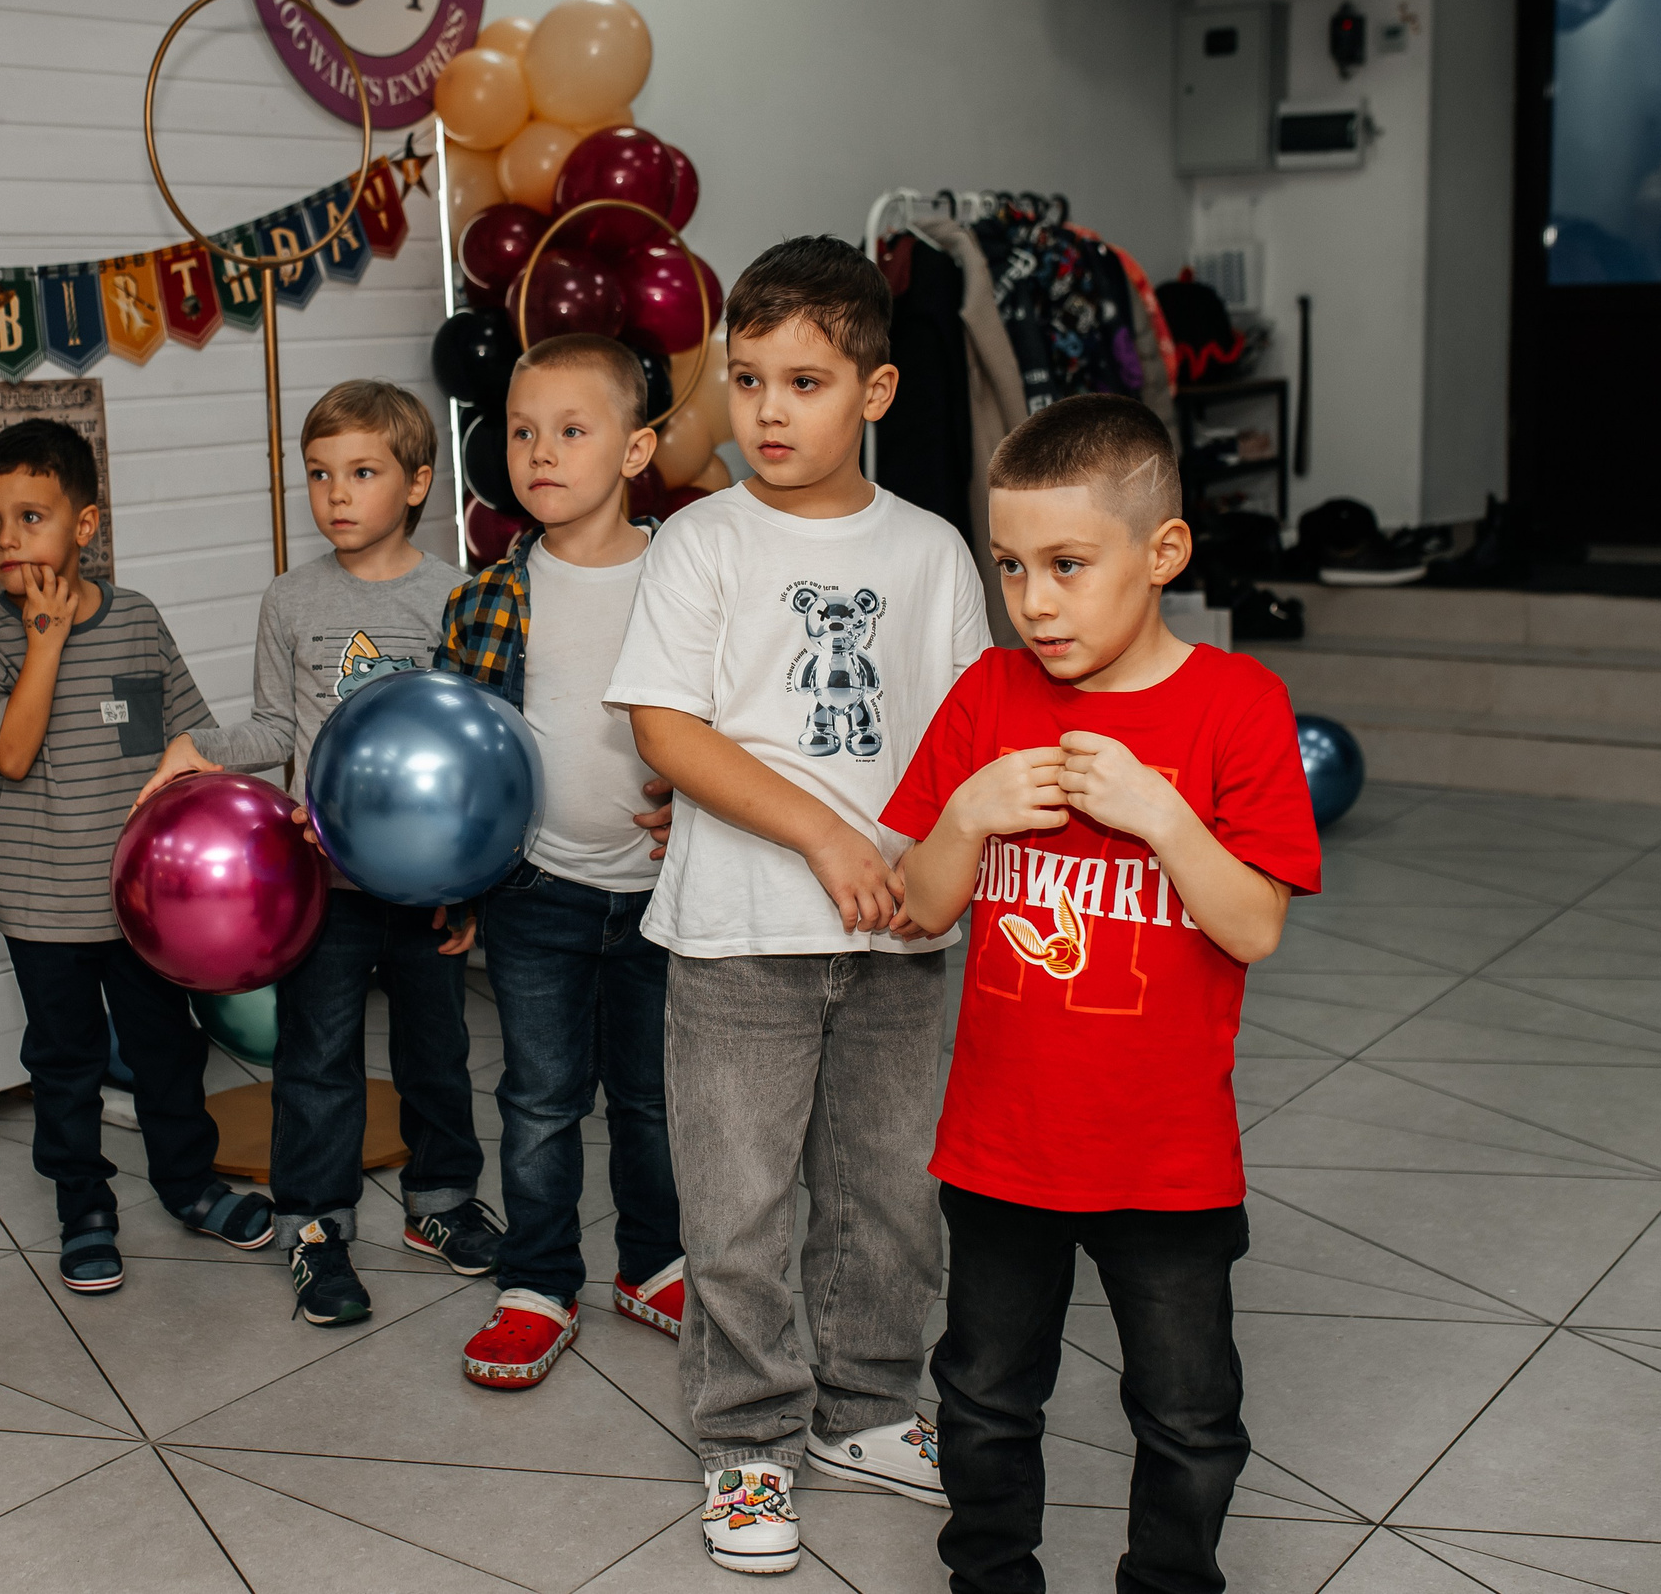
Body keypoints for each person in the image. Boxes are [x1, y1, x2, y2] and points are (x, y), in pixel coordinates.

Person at [881, 393, 1321, 1594]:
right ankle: (990, 1580)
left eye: (1068, 565)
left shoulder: (1238, 707)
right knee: (979, 1397)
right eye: (1012, 565)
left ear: (1162, 553)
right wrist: (966, 813)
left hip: (1163, 1154)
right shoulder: (987, 694)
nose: (1035, 600)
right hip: (1000, 1142)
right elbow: (918, 903)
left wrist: (1159, 811)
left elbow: (1254, 925)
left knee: (1188, 1418)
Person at [606, 237, 992, 1575]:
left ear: (876, 393)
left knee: (889, 1191)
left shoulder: (934, 551)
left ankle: (870, 1407)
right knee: (741, 1202)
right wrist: (827, 831)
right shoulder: (703, 541)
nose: (770, 411)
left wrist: (936, 863)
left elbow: (961, 738)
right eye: (750, 377)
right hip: (740, 941)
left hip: (899, 939)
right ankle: (752, 1441)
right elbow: (666, 728)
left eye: (807, 382)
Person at [138, 380, 499, 1326]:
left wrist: (469, 889)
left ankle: (443, 1203)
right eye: (319, 475)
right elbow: (271, 726)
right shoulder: (291, 598)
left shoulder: (454, 592)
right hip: (325, 884)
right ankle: (314, 1226)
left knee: (438, 1050)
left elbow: (474, 751)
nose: (337, 494)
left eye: (364, 472)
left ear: (418, 482)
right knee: (318, 1058)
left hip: (424, 881)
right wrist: (195, 748)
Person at [0, 418, 276, 1297]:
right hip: (40, 902)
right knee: (65, 1062)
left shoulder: (137, 622)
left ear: (84, 526)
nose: (6, 539)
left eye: (29, 516)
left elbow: (188, 743)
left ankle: (189, 1184)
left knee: (170, 1052)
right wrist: (44, 640)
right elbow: (11, 755)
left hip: (142, 906)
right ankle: (84, 1205)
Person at [433, 333, 684, 1390]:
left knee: (653, 1095)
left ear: (636, 448)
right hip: (538, 887)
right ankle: (538, 1279)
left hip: (668, 892)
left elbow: (745, 723)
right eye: (524, 431)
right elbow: (455, 757)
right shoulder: (485, 595)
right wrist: (456, 880)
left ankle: (655, 1259)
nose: (539, 451)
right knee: (538, 1095)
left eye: (571, 430)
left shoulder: (689, 574)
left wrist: (710, 811)